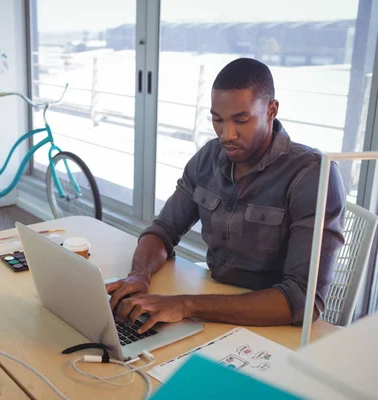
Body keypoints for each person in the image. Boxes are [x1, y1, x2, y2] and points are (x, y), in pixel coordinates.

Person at [107, 58, 346, 334]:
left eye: (240, 120)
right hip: (214, 310)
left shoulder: (313, 175)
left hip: (274, 327)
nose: (226, 135)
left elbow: (302, 300)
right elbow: (162, 230)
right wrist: (140, 274)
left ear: (271, 110)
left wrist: (186, 305)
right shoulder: (209, 157)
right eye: (217, 120)